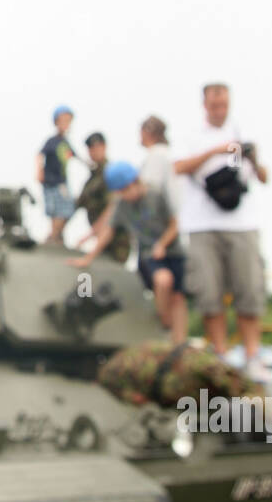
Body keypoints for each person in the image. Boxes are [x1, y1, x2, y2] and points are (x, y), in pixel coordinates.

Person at [174, 83, 269, 381]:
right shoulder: (191, 136)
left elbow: (264, 177)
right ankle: (220, 355)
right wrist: (215, 151)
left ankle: (253, 356)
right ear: (205, 104)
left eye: (224, 104)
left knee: (249, 290)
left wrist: (251, 156)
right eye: (214, 105)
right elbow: (178, 167)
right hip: (202, 224)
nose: (219, 110)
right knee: (209, 292)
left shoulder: (243, 132)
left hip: (243, 224)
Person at [71, 161, 187, 344]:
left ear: (135, 182)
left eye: (125, 189)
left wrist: (162, 244)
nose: (124, 195)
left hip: (173, 250)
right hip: (149, 254)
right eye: (120, 192)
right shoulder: (122, 204)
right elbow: (109, 230)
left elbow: (175, 224)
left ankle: (179, 343)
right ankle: (164, 325)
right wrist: (88, 257)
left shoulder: (156, 194)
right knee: (163, 281)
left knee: (178, 297)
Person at [74, 133, 131, 264]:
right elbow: (78, 204)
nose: (93, 152)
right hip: (100, 238)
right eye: (90, 149)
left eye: (96, 147)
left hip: (116, 239)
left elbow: (113, 208)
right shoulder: (92, 178)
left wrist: (90, 235)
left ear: (104, 147)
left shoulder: (112, 174)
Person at [36, 107, 77, 243]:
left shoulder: (66, 143)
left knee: (66, 208)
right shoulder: (52, 141)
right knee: (54, 210)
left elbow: (76, 156)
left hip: (62, 182)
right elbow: (40, 154)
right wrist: (39, 171)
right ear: (56, 122)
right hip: (51, 181)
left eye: (68, 121)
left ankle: (56, 234)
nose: (65, 124)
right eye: (63, 120)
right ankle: (54, 235)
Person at [139, 115, 177, 209]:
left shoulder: (156, 155)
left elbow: (150, 189)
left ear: (147, 132)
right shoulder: (167, 153)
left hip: (165, 217)